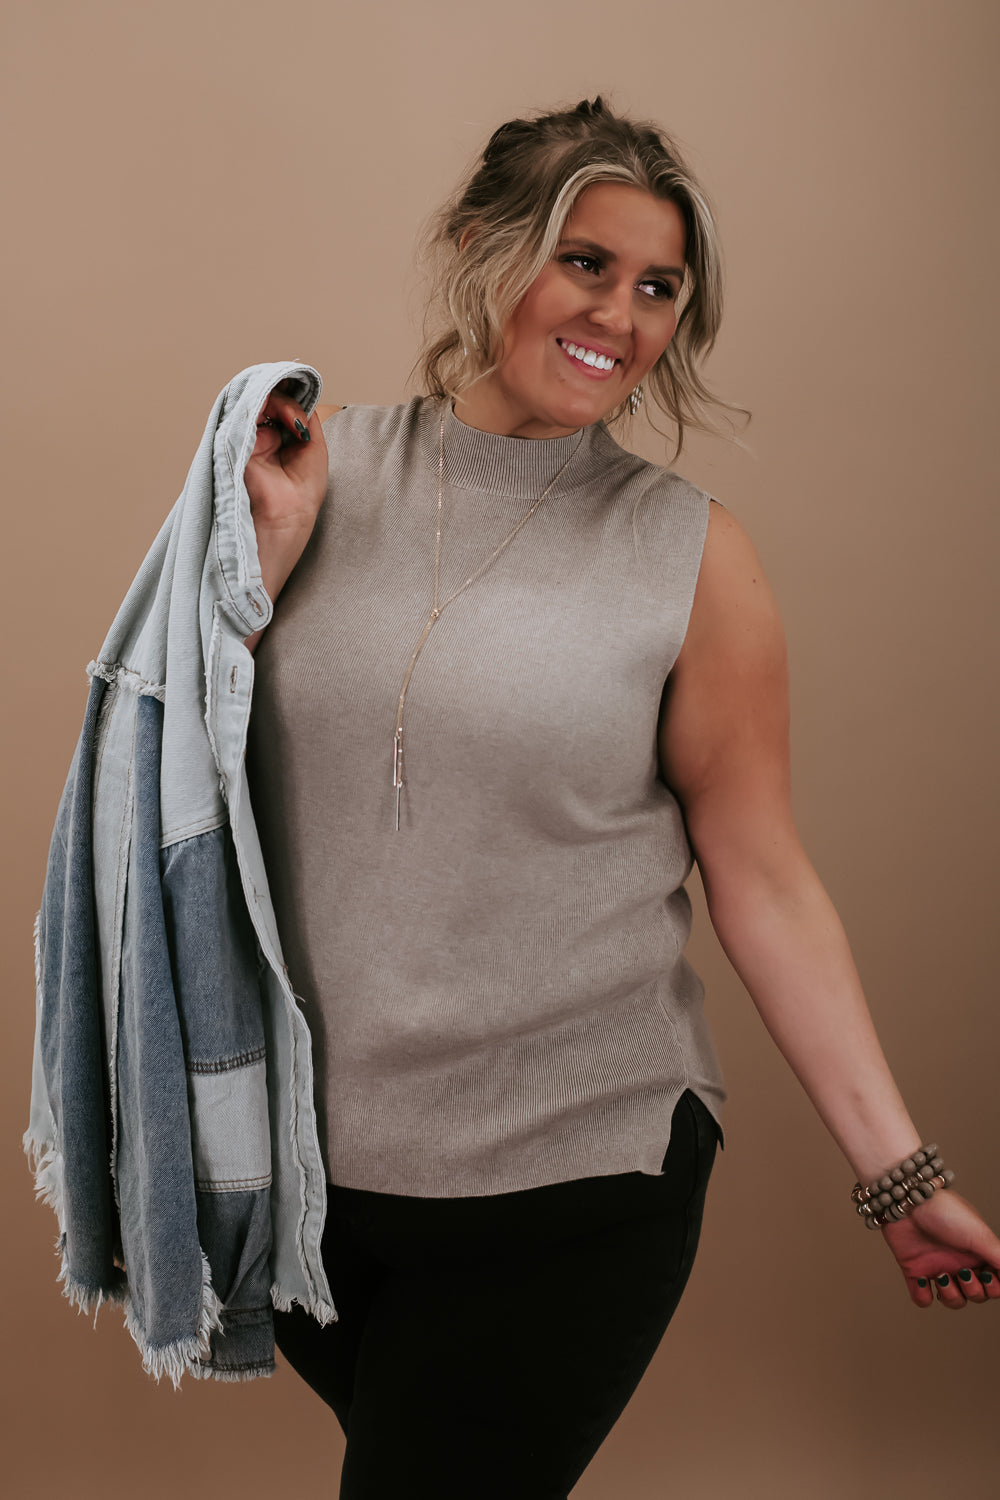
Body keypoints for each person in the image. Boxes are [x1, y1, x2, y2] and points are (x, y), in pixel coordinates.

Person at [238, 98, 999, 1497]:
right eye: (584, 262)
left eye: (659, 287)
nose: (622, 316)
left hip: (575, 1171)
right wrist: (260, 572)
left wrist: (898, 1175)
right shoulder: (307, 473)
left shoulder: (692, 557)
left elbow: (762, 876)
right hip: (303, 1183)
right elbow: (171, 775)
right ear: (480, 247)